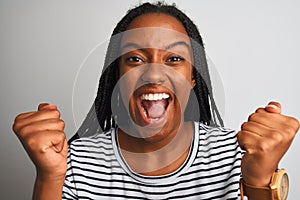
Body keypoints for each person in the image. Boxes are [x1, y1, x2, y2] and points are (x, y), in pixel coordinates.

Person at [12, 2, 299, 200]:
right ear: (117, 78)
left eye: (174, 59)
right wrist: (48, 178)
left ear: (192, 78)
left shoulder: (237, 155)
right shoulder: (74, 163)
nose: (153, 74)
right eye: (135, 59)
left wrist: (260, 182)